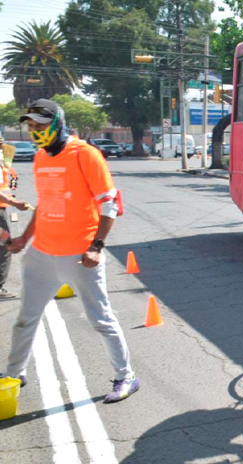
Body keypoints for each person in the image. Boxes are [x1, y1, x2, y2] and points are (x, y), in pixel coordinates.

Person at [2, 99, 139, 403]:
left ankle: (126, 376)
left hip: (80, 255)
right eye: (31, 124)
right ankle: (14, 372)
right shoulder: (40, 157)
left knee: (100, 319)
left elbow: (109, 203)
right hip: (41, 254)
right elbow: (46, 204)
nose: (35, 129)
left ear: (57, 123)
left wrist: (96, 247)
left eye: (40, 124)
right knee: (26, 317)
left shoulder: (85, 154)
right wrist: (25, 238)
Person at [0, 137, 31, 299]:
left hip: (2, 208)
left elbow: (9, 182)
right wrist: (14, 202)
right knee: (5, 246)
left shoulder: (4, 160)